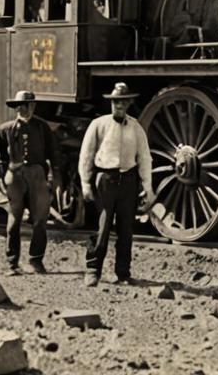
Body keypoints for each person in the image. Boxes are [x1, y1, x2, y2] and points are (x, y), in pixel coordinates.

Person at [79, 83, 153, 286]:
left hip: (128, 180)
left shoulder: (136, 127)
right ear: (111, 103)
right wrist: (86, 183)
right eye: (116, 101)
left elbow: (144, 157)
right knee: (102, 226)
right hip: (106, 180)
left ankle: (123, 273)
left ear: (129, 103)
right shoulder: (99, 125)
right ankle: (93, 270)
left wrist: (148, 187)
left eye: (123, 101)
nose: (119, 105)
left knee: (126, 228)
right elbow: (87, 155)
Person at [0, 90, 60, 274]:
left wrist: (55, 178)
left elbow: (54, 154)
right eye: (21, 106)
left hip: (37, 175)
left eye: (29, 106)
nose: (25, 110)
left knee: (40, 219)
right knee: (13, 220)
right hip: (15, 177)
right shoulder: (5, 129)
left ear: (33, 107)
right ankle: (12, 263)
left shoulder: (43, 128)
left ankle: (36, 260)